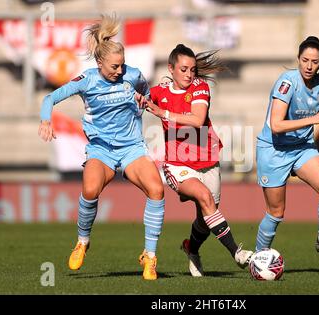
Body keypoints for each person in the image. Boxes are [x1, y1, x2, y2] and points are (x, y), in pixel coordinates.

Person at [38, 14, 165, 280]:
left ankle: (150, 256)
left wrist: (146, 99)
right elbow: (50, 97)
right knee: (90, 189)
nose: (120, 71)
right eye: (114, 66)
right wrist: (45, 120)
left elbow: (148, 92)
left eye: (122, 65)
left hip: (132, 147)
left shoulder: (134, 75)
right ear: (99, 63)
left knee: (156, 190)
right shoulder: (87, 80)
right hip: (101, 149)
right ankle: (83, 241)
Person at [136, 44, 253, 277]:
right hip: (178, 164)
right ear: (171, 68)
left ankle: (191, 249)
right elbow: (138, 98)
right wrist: (137, 98)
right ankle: (237, 253)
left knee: (207, 217)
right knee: (204, 197)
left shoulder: (200, 86)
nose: (190, 74)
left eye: (192, 69)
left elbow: (198, 119)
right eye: (184, 69)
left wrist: (163, 113)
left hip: (208, 160)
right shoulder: (158, 92)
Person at [255, 36, 319, 264]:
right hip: (274, 149)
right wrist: (314, 120)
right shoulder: (287, 83)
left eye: (314, 62)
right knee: (276, 212)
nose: (309, 66)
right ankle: (258, 257)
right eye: (305, 60)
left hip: (302, 148)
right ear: (298, 59)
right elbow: (276, 125)